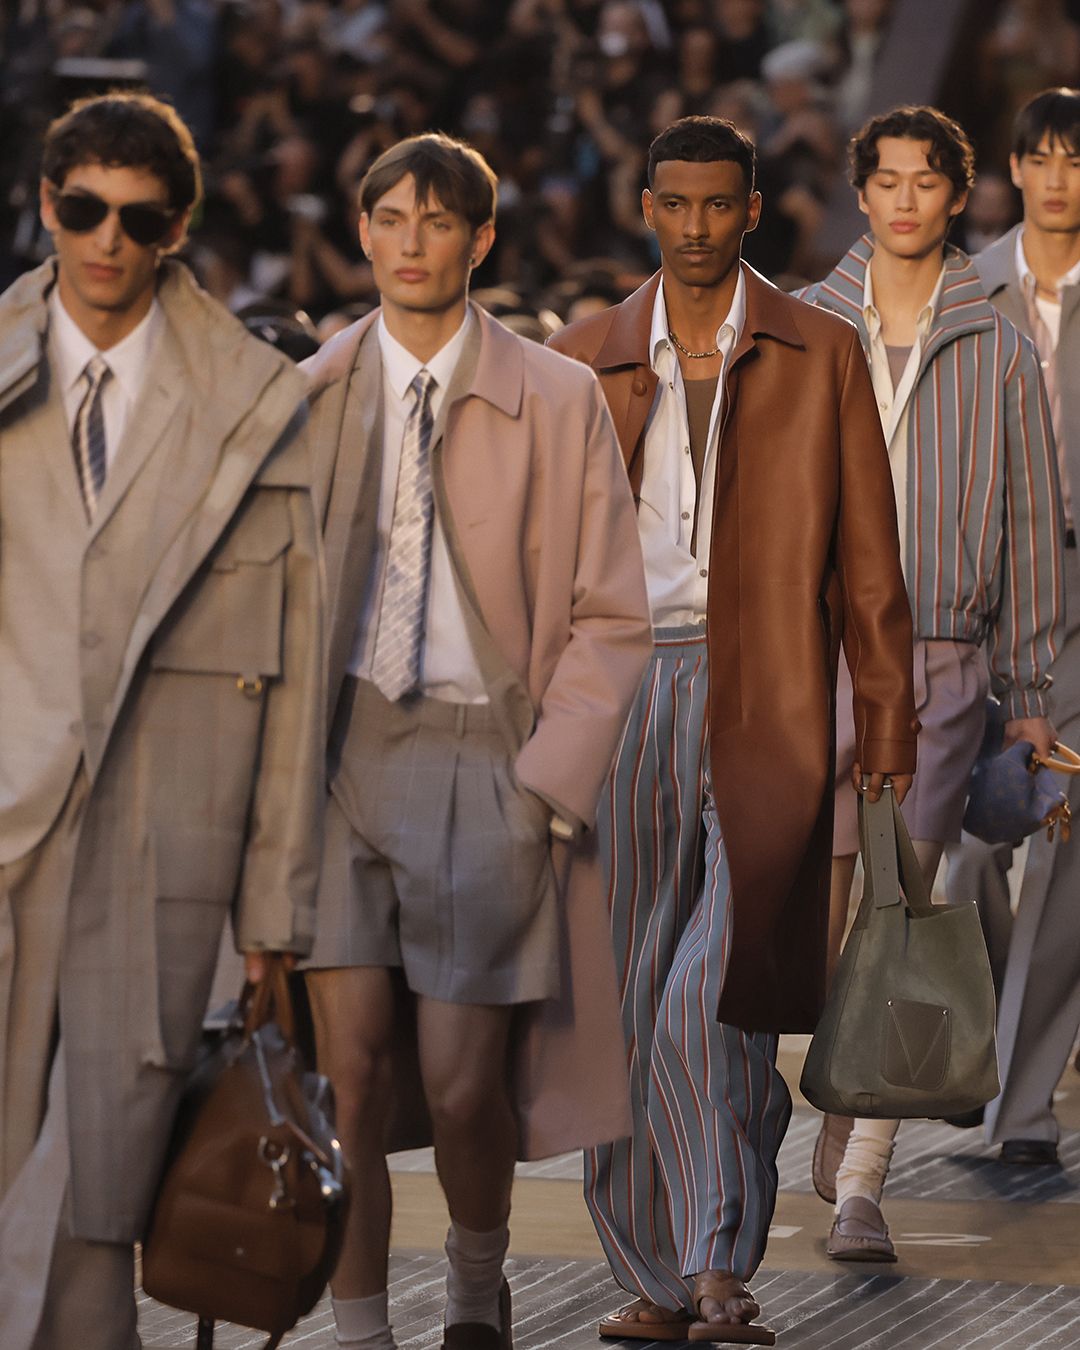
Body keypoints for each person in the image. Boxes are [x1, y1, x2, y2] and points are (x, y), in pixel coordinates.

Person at [548, 114, 917, 1343]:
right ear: (645, 207)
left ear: (752, 211)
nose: (697, 226)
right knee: (628, 991)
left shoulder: (819, 350)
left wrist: (886, 732)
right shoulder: (584, 358)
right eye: (676, 204)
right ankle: (652, 1278)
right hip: (618, 693)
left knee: (713, 984)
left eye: (720, 205)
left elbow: (871, 561)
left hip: (769, 691)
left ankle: (714, 1266)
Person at [300, 132, 652, 1350]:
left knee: (460, 1090)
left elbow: (615, 611)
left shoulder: (554, 395)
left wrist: (547, 789)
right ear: (361, 231)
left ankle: (471, 1285)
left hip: (488, 761)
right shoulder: (307, 397)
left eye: (436, 221)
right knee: (347, 1085)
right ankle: (361, 1333)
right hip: (335, 763)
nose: (409, 241)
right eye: (388, 217)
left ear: (481, 240)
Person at [0, 92, 324, 1349]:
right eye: (82, 211)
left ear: (176, 227)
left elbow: (290, 671)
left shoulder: (251, 402)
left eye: (136, 220)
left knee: (106, 1167)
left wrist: (274, 908)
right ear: (45, 206)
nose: (106, 242)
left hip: (165, 838)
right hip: (8, 816)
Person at [801, 104, 1064, 1259]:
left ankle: (861, 1172)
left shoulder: (998, 347)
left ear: (959, 196)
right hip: (812, 652)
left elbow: (1026, 531)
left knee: (900, 910)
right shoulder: (803, 327)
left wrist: (1034, 690)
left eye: (926, 182)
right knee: (810, 901)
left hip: (944, 660)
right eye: (887, 181)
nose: (905, 199)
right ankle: (821, 1088)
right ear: (861, 194)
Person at [946, 87, 1080, 1168]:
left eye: (1073, 159)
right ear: (1015, 168)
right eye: (1039, 157)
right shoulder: (962, 288)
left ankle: (1022, 1109)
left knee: (1070, 847)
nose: (1057, 177)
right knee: (970, 846)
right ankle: (971, 1048)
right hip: (978, 601)